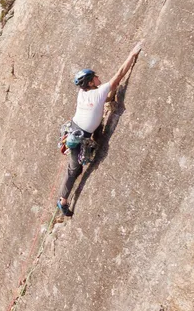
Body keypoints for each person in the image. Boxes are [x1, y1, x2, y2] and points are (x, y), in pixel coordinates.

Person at [57, 41, 142, 216]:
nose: (98, 77)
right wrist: (132, 54)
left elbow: (103, 100)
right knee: (74, 170)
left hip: (76, 130)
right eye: (95, 76)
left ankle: (64, 196)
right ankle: (63, 200)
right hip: (79, 135)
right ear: (89, 82)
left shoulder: (84, 93)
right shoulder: (97, 92)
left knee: (77, 167)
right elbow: (119, 75)